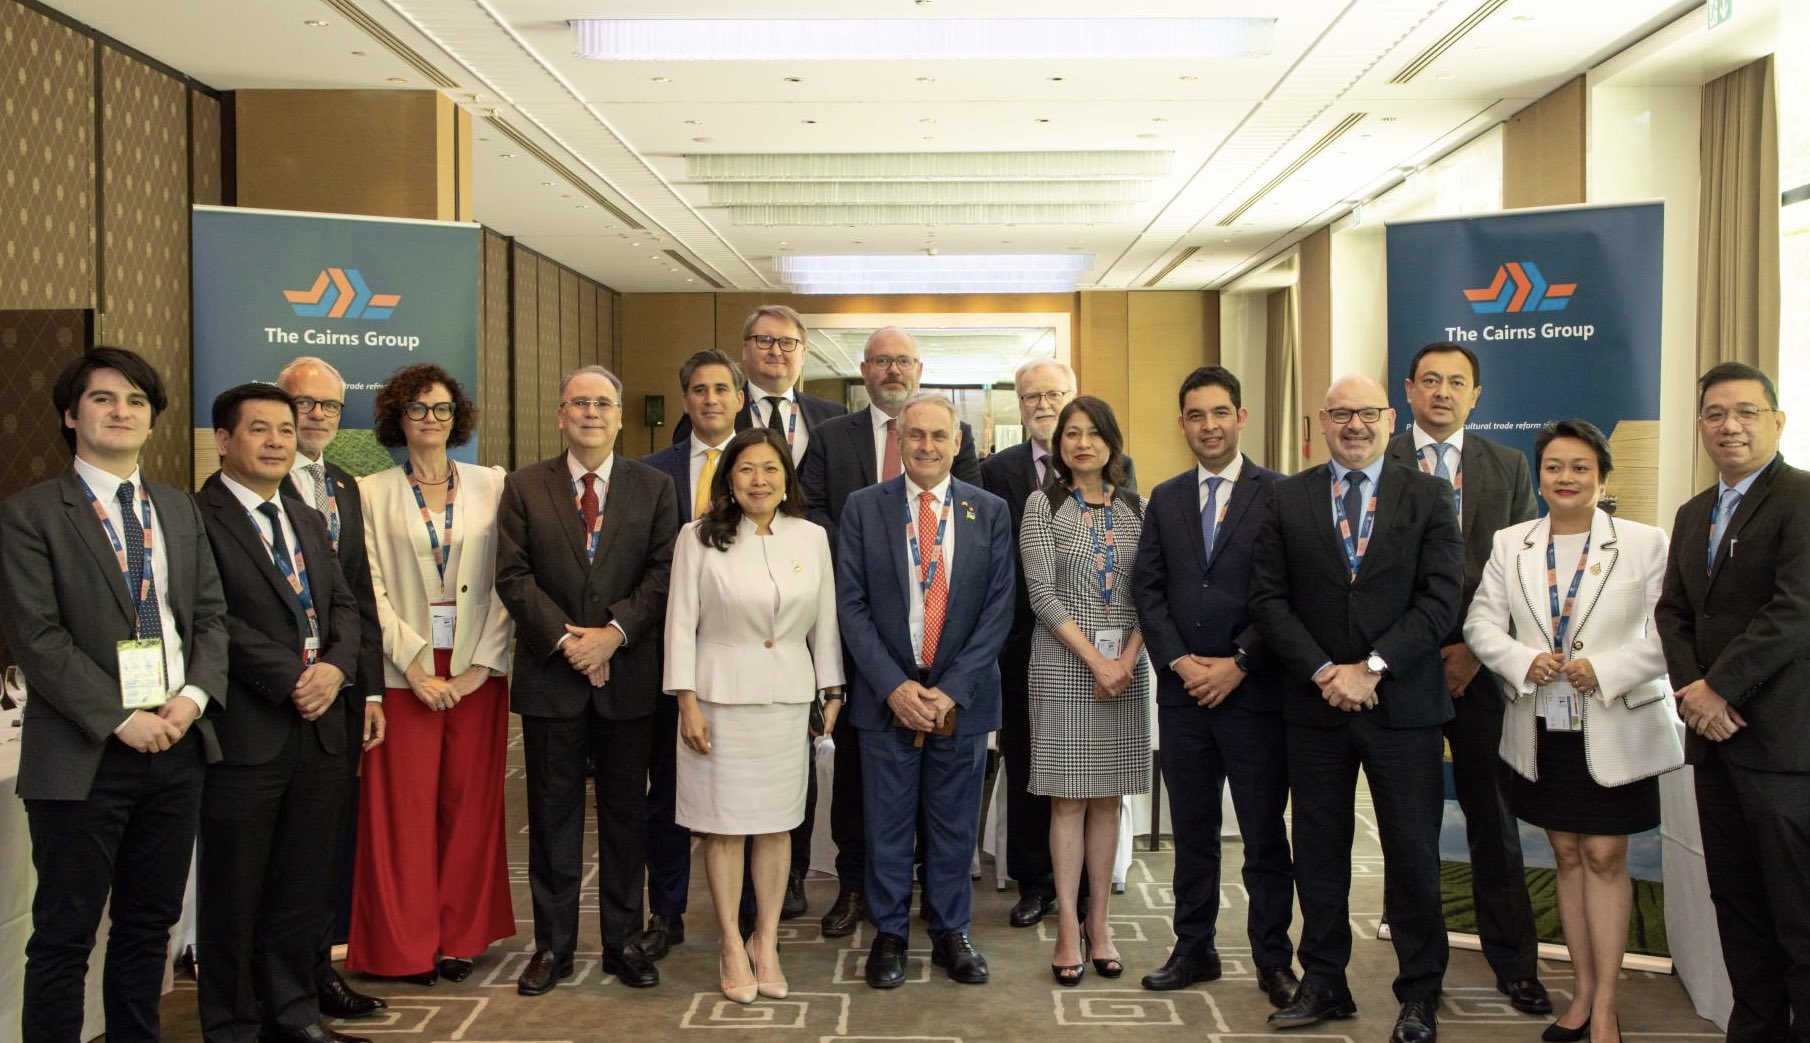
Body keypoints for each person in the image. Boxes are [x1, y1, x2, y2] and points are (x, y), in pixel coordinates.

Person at [0, 348, 229, 1043]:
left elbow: (210, 617)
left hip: (177, 745)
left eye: (136, 400)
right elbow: (37, 637)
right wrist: (120, 717)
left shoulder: (177, 507)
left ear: (152, 418)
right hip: (83, 754)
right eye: (102, 398)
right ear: (72, 415)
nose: (121, 411)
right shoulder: (31, 513)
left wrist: (193, 698)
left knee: (147, 926)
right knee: (65, 933)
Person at [1248, 374, 1462, 1043]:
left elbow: (1441, 599)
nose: (1355, 425)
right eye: (1341, 414)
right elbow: (1268, 599)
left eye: (1368, 413)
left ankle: (1419, 993)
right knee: (1318, 851)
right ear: (1321, 422)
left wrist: (1371, 668)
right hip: (1315, 706)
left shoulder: (1429, 495)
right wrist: (1324, 671)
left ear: (1389, 419)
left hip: (1402, 706)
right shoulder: (1288, 497)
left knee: (1411, 854)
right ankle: (1325, 981)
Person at [1465, 419, 1682, 1043]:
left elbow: (1671, 631)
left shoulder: (1644, 542)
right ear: (1539, 477)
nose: (1566, 478)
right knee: (1565, 854)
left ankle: (1607, 1005)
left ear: (1602, 477)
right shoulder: (1513, 543)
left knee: (1605, 856)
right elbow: (1481, 623)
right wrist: (1520, 659)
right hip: (1543, 724)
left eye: (1581, 467)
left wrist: (1607, 669)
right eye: (1554, 467)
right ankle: (1582, 994)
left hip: (1614, 723)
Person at [496, 365, 680, 995]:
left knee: (626, 817)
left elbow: (663, 573)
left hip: (628, 677)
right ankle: (553, 947)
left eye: (603, 403)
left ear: (620, 416)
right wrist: (571, 642)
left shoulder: (654, 487)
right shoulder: (524, 486)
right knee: (552, 818)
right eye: (579, 403)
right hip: (552, 676)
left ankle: (623, 942)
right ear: (560, 415)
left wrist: (613, 634)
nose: (591, 413)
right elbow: (513, 576)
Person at [195, 383, 366, 1043]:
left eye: (286, 431)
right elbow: (210, 617)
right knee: (236, 892)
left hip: (320, 729)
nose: (276, 442)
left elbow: (344, 605)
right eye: (259, 429)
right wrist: (293, 675)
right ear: (223, 440)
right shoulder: (196, 517)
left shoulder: (305, 517)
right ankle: (234, 1025)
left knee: (302, 885)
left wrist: (336, 668)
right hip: (247, 730)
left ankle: (294, 1015)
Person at [798, 326, 982, 936]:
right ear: (865, 369)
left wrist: (949, 686)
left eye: (903, 359)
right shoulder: (836, 445)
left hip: (951, 671)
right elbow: (813, 517)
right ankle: (868, 901)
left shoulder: (976, 490)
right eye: (882, 360)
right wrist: (868, 549)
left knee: (947, 808)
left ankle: (943, 914)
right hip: (870, 653)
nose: (893, 369)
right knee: (869, 793)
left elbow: (985, 579)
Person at [1385, 342, 1549, 1016]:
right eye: (1430, 380)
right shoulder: (1381, 459)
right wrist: (1414, 651)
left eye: (1457, 382)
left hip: (1482, 669)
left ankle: (1514, 963)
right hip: (1403, 669)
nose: (1443, 392)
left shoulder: (1507, 465)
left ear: (1476, 395)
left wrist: (1475, 650)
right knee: (1410, 826)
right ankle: (1420, 973)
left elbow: (1521, 571)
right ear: (1408, 389)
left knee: (1494, 818)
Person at [1131, 366, 1298, 1004]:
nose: (1209, 426)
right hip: (1184, 698)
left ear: (1241, 417)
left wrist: (1239, 663)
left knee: (1262, 836)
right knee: (1193, 833)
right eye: (1196, 415)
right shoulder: (1166, 496)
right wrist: (1178, 662)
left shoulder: (1279, 494)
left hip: (1253, 695)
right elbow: (1148, 588)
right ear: (1182, 424)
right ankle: (1193, 948)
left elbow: (1285, 592)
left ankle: (1272, 959)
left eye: (1220, 412)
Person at [836, 393, 1013, 989]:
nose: (927, 446)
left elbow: (998, 609)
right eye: (916, 435)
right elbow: (851, 605)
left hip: (960, 701)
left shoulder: (990, 511)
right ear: (899, 440)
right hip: (887, 695)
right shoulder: (864, 507)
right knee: (886, 825)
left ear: (957, 443)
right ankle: (889, 933)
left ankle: (950, 931)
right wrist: (894, 687)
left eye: (940, 436)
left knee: (954, 825)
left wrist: (951, 691)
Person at [346, 364, 516, 985]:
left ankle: (459, 938)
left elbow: (509, 579)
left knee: (469, 807)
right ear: (398, 417)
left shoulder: (493, 484)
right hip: (404, 669)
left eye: (441, 408)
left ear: (457, 417)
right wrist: (414, 668)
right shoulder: (368, 492)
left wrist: (480, 667)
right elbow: (367, 586)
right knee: (402, 813)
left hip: (476, 666)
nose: (430, 419)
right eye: (417, 408)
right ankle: (405, 945)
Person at [1656, 362, 1810, 1043]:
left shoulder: (1802, 498)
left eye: (1746, 412)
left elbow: (1795, 610)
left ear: (1777, 421)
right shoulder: (1694, 513)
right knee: (1738, 904)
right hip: (1714, 741)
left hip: (1782, 743)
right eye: (1716, 414)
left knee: (1797, 912)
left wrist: (1719, 688)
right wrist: (1696, 695)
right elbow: (1673, 613)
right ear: (1701, 427)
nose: (1731, 426)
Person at [664, 428, 845, 1003]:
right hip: (717, 702)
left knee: (776, 824)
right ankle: (729, 943)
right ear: (729, 478)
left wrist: (832, 688)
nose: (759, 480)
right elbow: (679, 624)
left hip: (786, 700)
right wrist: (686, 701)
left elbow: (826, 621)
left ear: (787, 478)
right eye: (746, 469)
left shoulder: (811, 537)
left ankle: (765, 940)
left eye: (770, 469)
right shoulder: (697, 538)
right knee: (723, 827)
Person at [980, 358, 1139, 929]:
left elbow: (1140, 577)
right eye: (1032, 397)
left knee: (1102, 789)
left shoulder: (1129, 491)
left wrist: (1122, 658)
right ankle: (1040, 888)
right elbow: (1018, 577)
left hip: (1117, 658)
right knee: (1041, 777)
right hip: (1039, 650)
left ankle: (1094, 904)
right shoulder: (1005, 477)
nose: (1043, 406)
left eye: (1055, 395)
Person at [1018, 395, 1149, 986]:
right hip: (1063, 667)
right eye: (1071, 433)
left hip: (1126, 666)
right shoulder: (1042, 505)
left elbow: (1151, 590)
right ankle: (1068, 927)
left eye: (1094, 433)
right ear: (1059, 445)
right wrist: (1098, 661)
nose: (1083, 443)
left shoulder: (1136, 508)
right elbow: (1042, 595)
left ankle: (1101, 924)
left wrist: (1125, 660)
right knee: (1068, 800)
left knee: (1108, 799)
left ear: (1111, 441)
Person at [276, 357, 388, 1020]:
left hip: (341, 691)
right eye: (304, 402)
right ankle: (278, 984)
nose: (317, 415)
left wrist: (366, 688)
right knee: (280, 852)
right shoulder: (253, 483)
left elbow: (358, 596)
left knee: (325, 842)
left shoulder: (345, 485)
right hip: (276, 695)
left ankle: (319, 970)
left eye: (330, 406)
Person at [640, 348, 747, 956]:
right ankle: (667, 911)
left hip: (743, 660)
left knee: (744, 788)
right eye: (699, 390)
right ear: (685, 400)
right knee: (668, 791)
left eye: (721, 389)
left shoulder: (763, 467)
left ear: (739, 399)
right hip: (669, 655)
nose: (710, 399)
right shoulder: (650, 471)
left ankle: (751, 913)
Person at [669, 304, 844, 462]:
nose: (776, 351)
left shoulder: (833, 416)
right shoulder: (709, 411)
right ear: (745, 350)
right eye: (765, 340)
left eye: (787, 342)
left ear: (803, 353)